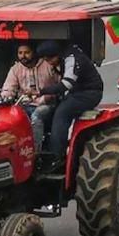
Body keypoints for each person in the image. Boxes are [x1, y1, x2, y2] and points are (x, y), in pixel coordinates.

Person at [36, 41, 104, 170]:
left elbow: (66, 84)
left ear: (57, 54)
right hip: (76, 92)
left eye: (50, 58)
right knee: (50, 111)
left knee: (62, 113)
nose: (49, 62)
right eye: (45, 59)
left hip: (90, 92)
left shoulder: (72, 58)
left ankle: (57, 157)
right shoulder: (63, 57)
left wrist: (42, 91)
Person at [1, 43, 59, 148]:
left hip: (47, 105)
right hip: (24, 104)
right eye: (20, 53)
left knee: (37, 116)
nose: (23, 56)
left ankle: (35, 150)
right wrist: (5, 97)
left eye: (27, 53)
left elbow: (59, 86)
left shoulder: (48, 65)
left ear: (34, 53)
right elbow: (9, 88)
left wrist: (47, 97)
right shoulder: (16, 69)